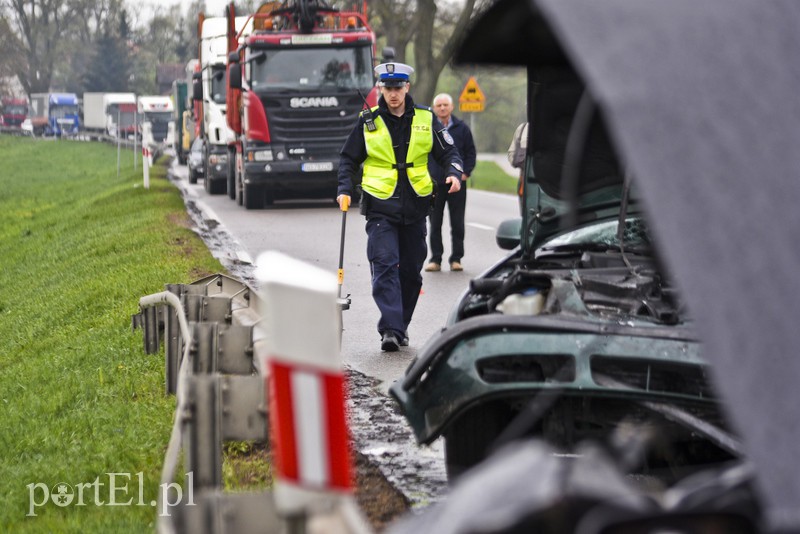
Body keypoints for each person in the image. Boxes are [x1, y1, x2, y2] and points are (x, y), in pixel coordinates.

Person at [337, 62, 464, 352]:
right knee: (384, 265)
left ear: (407, 87)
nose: (393, 94)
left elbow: (450, 152)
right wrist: (344, 189)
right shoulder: (368, 120)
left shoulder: (426, 118)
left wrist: (453, 174)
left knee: (410, 272)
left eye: (398, 87)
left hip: (416, 206)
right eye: (387, 88)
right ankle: (390, 330)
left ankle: (400, 326)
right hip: (381, 206)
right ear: (380, 88)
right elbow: (347, 160)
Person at [424, 93, 476, 273]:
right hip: (435, 184)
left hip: (456, 184)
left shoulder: (462, 129)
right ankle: (435, 259)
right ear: (434, 108)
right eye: (439, 105)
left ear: (452, 107)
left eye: (445, 105)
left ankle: (456, 259)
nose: (442, 108)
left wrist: (465, 173)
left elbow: (470, 153)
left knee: (457, 222)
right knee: (435, 222)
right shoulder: (427, 128)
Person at [508, 122, 529, 212]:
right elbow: (511, 154)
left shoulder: (523, 128)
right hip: (525, 186)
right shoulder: (522, 128)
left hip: (527, 183)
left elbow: (511, 155)